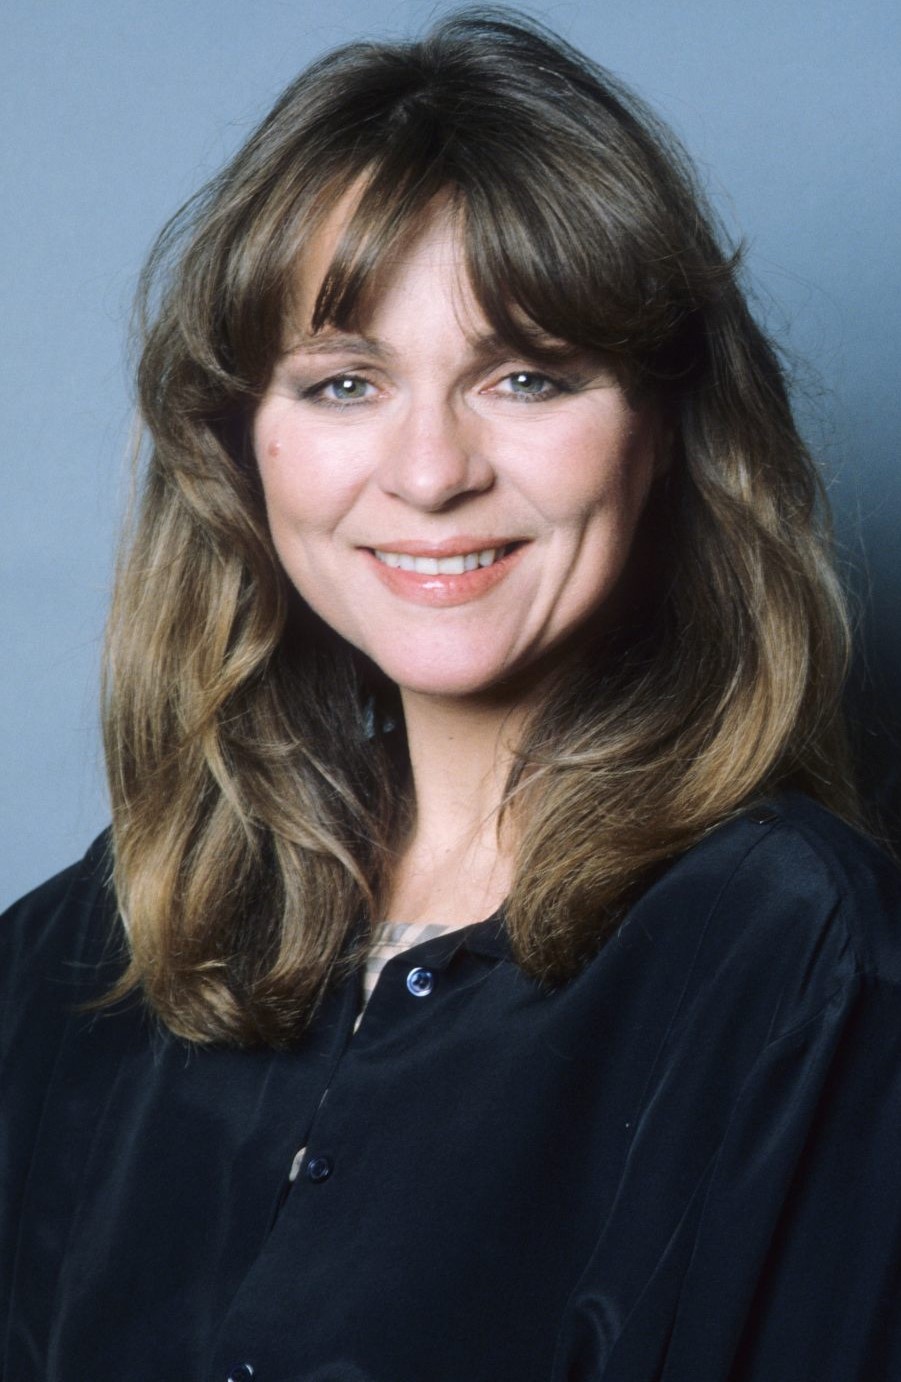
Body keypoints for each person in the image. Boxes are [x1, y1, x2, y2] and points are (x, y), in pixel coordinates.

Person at [2, 9, 901, 1380]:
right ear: (242, 445)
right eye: (344, 382)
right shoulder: (95, 941)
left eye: (526, 376)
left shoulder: (802, 964)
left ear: (664, 429)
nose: (430, 473)